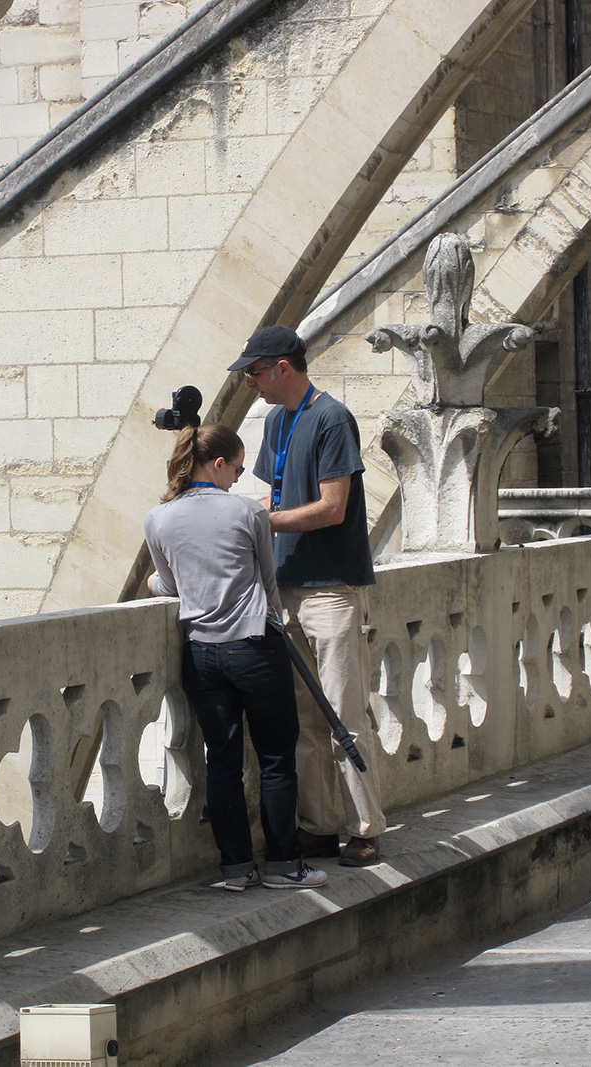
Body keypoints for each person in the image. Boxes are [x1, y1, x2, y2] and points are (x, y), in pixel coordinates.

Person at [144, 422, 327, 891]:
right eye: (238, 469)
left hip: (201, 654)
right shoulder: (248, 514)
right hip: (254, 647)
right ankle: (284, 864)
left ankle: (235, 868)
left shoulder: (157, 518)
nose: (238, 479)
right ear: (219, 463)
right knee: (274, 759)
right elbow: (267, 581)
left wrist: (154, 586)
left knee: (221, 761)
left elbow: (168, 584)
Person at [228, 324, 386, 867]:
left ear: (282, 368)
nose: (250, 382)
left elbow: (332, 507)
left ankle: (364, 827)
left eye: (254, 371)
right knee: (303, 721)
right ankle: (319, 826)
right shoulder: (277, 420)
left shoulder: (331, 417)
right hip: (288, 587)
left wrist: (263, 521)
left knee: (344, 712)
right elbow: (274, 491)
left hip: (332, 588)